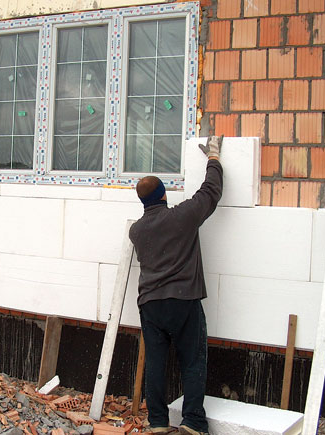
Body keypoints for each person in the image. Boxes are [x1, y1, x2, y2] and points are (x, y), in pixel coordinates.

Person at [129, 136, 224, 435]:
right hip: (183, 301)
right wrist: (214, 157)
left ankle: (157, 422)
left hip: (151, 305)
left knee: (156, 364)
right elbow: (210, 192)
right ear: (163, 195)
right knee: (193, 360)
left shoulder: (136, 231)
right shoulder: (181, 217)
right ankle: (193, 422)